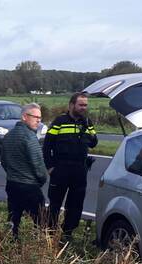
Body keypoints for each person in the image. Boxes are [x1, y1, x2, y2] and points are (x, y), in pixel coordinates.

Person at [43, 92, 98, 244]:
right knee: (55, 204)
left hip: (80, 170)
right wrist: (50, 167)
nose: (83, 108)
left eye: (85, 105)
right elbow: (47, 146)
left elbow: (94, 143)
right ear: (72, 105)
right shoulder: (59, 121)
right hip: (61, 168)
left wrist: (89, 129)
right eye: (81, 104)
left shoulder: (87, 122)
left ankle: (67, 234)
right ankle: (50, 233)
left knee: (76, 205)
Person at [0, 103, 48, 240]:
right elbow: (38, 165)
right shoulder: (29, 137)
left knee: (13, 220)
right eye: (35, 117)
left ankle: (10, 246)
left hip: (12, 184)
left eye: (40, 117)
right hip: (29, 186)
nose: (39, 120)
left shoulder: (8, 136)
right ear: (24, 117)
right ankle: (37, 248)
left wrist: (12, 173)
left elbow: (3, 161)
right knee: (41, 222)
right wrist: (41, 180)